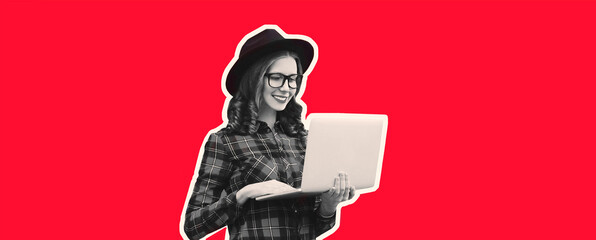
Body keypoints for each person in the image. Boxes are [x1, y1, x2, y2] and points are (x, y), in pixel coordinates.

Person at [182, 26, 355, 240]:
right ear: (255, 77)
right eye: (277, 77)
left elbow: (314, 227)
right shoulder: (224, 141)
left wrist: (328, 207)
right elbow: (193, 226)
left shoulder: (304, 140)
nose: (287, 88)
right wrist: (244, 194)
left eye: (293, 78)